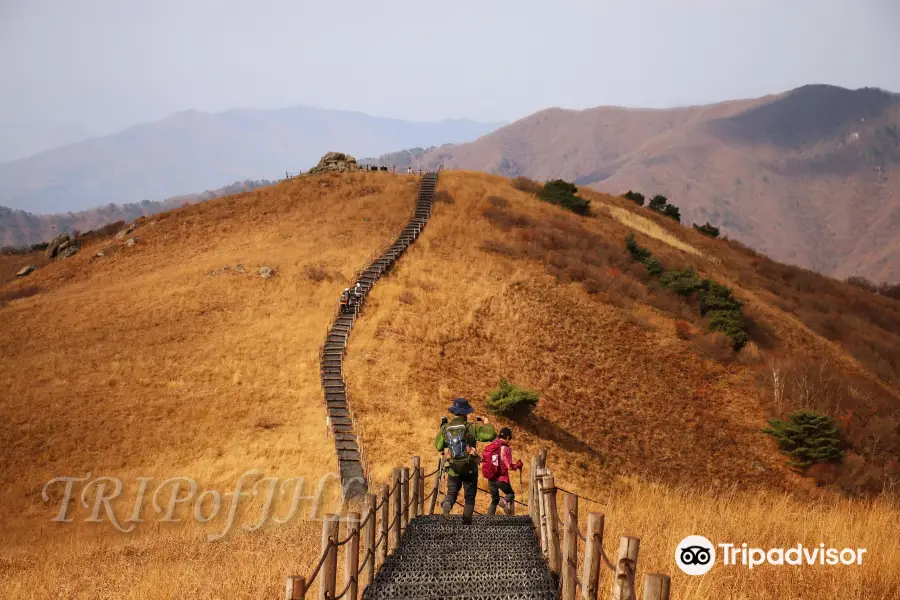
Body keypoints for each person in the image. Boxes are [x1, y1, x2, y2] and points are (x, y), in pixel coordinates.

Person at [435, 398, 496, 524]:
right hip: (470, 469)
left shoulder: (446, 427)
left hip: (453, 469)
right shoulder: (472, 427)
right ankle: (466, 523)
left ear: (455, 412)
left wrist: (442, 428)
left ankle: (446, 506)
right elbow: (491, 435)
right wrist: (486, 422)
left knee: (451, 493)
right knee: (469, 497)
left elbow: (439, 446)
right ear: (466, 413)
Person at [482, 427, 523, 515]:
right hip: (501, 478)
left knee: (494, 500)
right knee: (511, 494)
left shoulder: (493, 445)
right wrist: (518, 465)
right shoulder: (505, 448)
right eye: (510, 439)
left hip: (491, 477)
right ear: (508, 438)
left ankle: (488, 521)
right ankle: (503, 502)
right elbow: (509, 466)